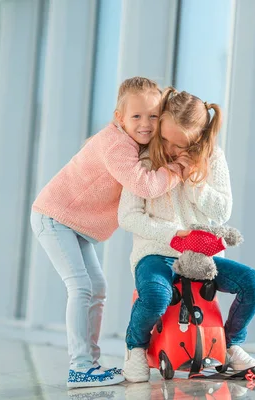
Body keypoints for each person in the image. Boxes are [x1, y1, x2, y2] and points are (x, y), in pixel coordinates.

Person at [30, 77, 182, 388]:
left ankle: (91, 364)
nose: (146, 124)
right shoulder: (116, 145)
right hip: (53, 217)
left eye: (153, 116)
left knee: (97, 287)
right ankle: (80, 368)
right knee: (81, 287)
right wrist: (179, 168)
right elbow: (143, 185)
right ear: (119, 118)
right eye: (136, 117)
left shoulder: (130, 144)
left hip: (71, 223)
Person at [118, 88, 255, 382]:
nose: (172, 150)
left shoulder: (213, 158)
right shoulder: (143, 159)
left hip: (200, 256)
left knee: (254, 284)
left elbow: (223, 210)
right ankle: (135, 347)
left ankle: (231, 344)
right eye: (166, 140)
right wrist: (174, 234)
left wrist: (193, 182)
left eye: (181, 144)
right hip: (156, 252)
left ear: (198, 138)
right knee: (156, 294)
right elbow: (128, 216)